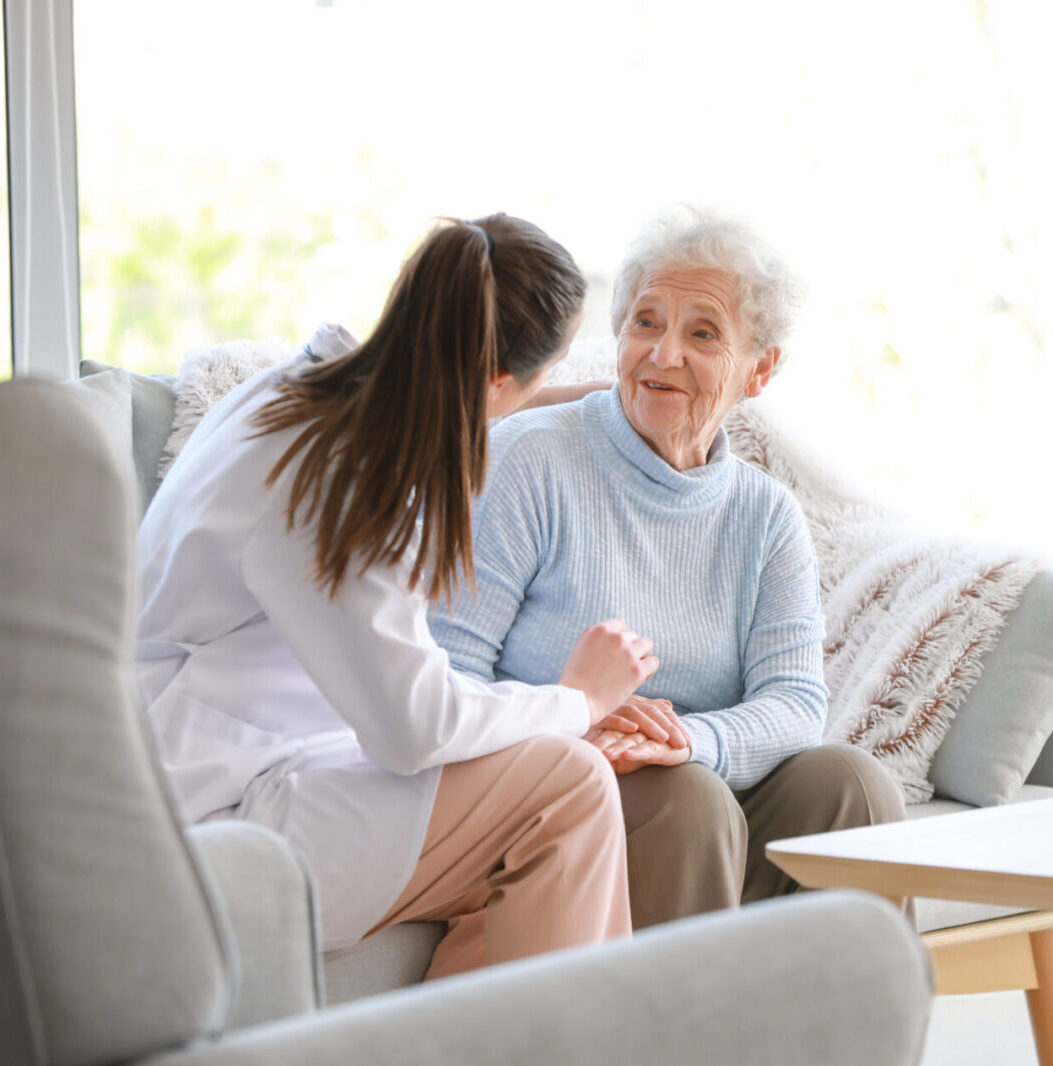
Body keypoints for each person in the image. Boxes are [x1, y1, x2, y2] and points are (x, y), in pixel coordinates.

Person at [136, 214, 659, 978]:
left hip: (221, 761)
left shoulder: (288, 393)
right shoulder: (342, 483)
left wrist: (571, 402)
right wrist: (578, 699)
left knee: (526, 801)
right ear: (496, 381)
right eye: (533, 385)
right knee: (565, 787)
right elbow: (414, 730)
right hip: (210, 819)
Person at [429, 207, 905, 930]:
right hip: (554, 788)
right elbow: (447, 672)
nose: (662, 355)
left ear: (761, 369)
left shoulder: (766, 515)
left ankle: (845, 1035)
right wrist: (572, 721)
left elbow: (796, 704)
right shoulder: (531, 460)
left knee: (853, 786)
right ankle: (680, 1037)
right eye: (646, 323)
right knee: (685, 800)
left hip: (693, 786)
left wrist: (687, 743)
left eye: (703, 333)